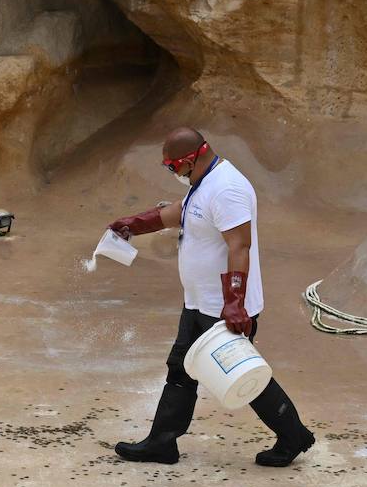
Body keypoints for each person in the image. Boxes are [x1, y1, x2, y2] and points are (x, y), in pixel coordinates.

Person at [107, 127, 315, 467]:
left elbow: (240, 246)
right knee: (181, 369)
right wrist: (134, 223)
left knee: (241, 375)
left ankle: (294, 436)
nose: (171, 173)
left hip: (223, 308)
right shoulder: (203, 184)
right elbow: (179, 213)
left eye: (172, 167)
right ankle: (162, 443)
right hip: (200, 302)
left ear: (190, 160)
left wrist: (234, 303)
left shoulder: (227, 188)